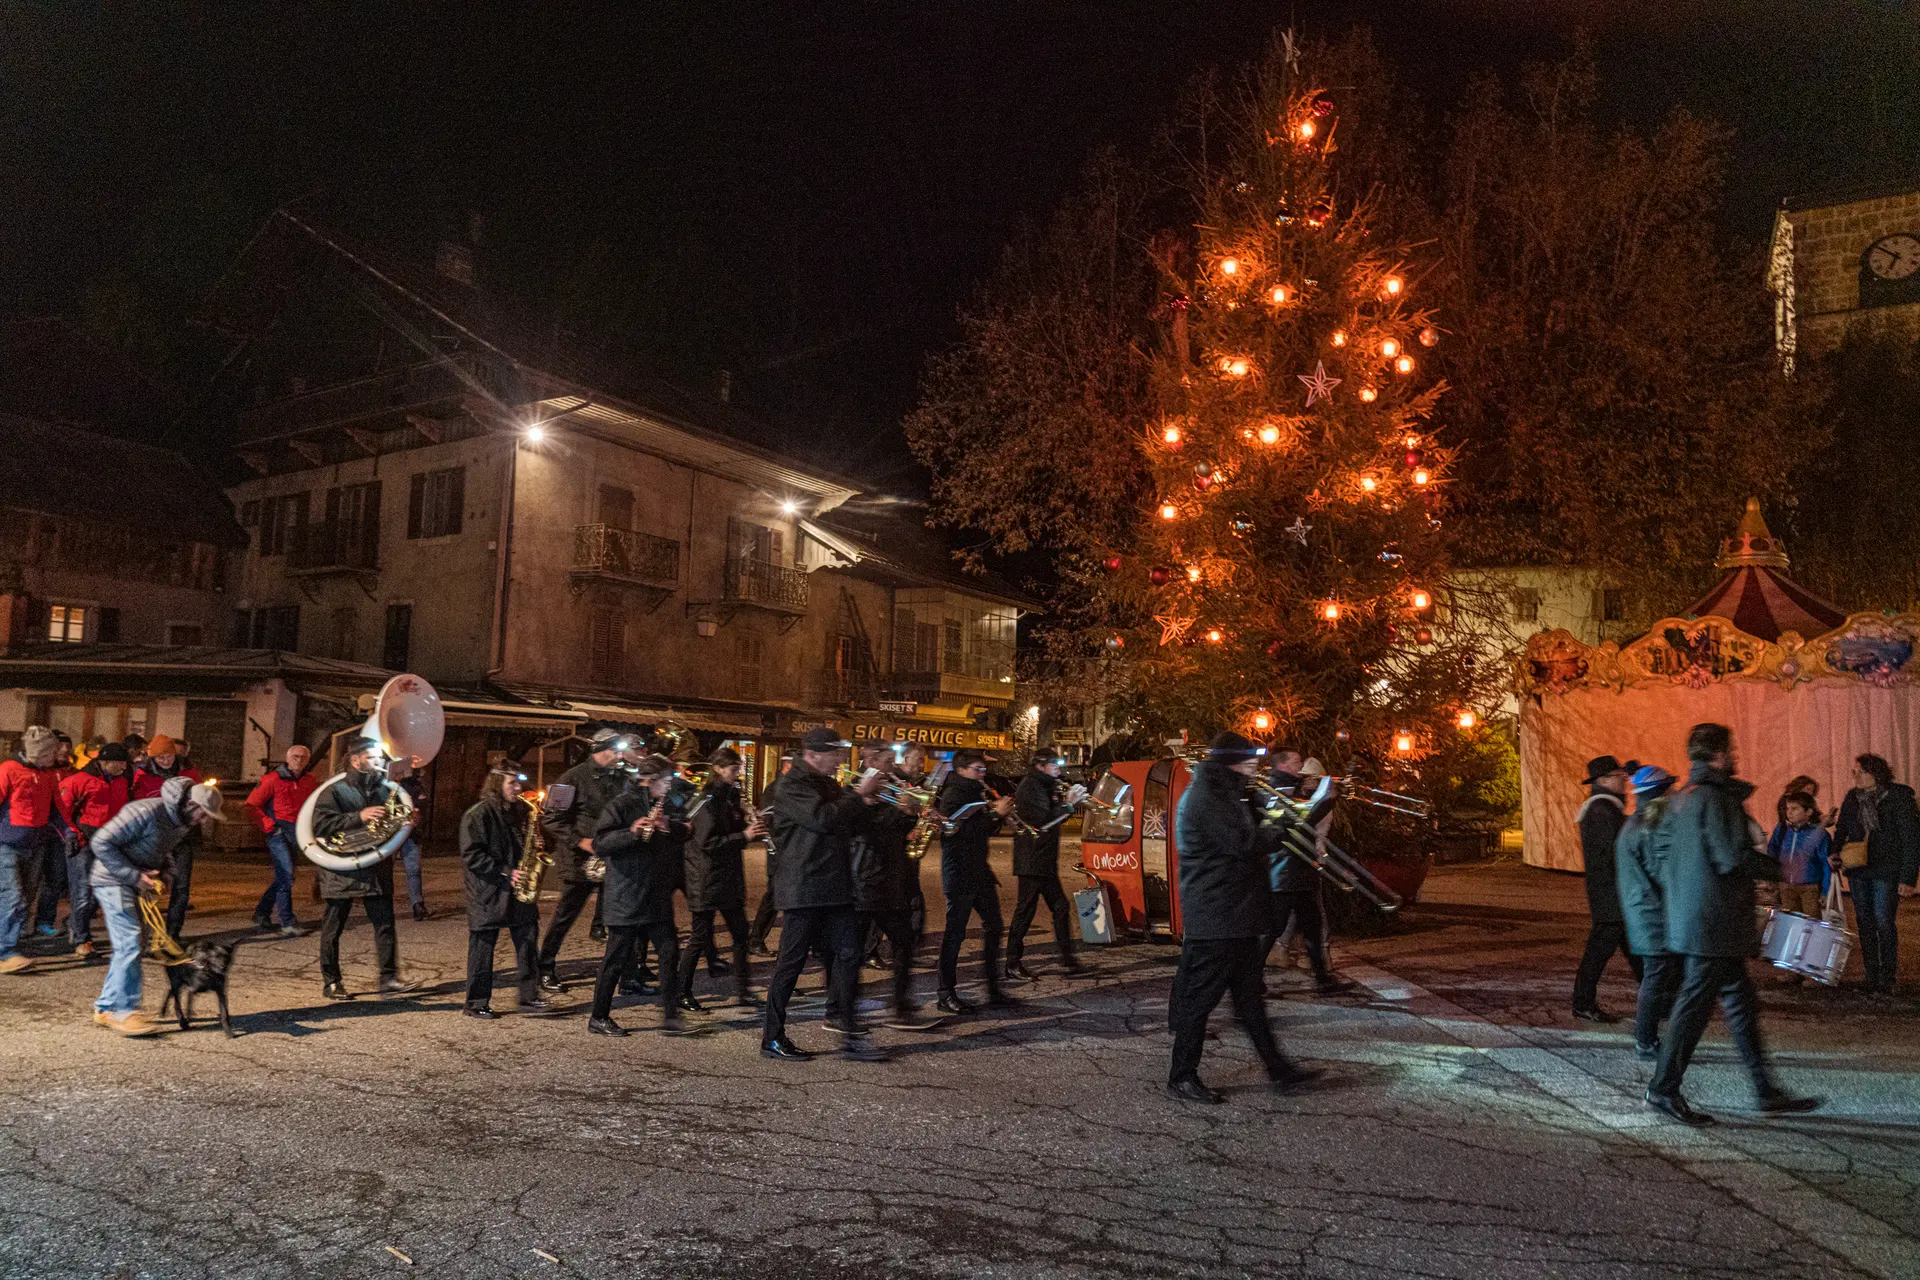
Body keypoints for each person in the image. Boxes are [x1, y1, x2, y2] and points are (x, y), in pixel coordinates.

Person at [1645, 723, 1818, 1125]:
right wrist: (1780, 869)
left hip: (1699, 920)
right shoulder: (1716, 799)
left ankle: (1765, 1089)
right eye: (1732, 749)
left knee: (1740, 1006)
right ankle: (1663, 1088)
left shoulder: (1682, 799)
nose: (1736, 755)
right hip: (1713, 924)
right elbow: (1730, 857)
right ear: (1719, 755)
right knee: (1693, 1008)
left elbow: (1664, 854)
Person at [1166, 732, 1319, 1104]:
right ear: (1232, 761)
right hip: (1216, 915)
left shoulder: (1232, 792)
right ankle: (1181, 1077)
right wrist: (1279, 824)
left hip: (1237, 913)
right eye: (1251, 761)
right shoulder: (1206, 797)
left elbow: (1252, 832)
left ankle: (1280, 1071)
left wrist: (1271, 811)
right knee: (1199, 1002)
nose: (1257, 767)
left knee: (1250, 1001)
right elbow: (1244, 843)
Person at [761, 727, 885, 1061]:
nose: (841, 761)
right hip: (804, 886)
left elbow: (847, 824)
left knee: (848, 954)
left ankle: (846, 1028)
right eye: (836, 755)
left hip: (835, 885)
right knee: (791, 963)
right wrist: (858, 795)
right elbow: (823, 819)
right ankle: (772, 1037)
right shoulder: (791, 786)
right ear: (814, 755)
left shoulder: (828, 784)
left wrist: (873, 806)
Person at [89, 776, 225, 1035]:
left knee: (133, 945)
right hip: (111, 880)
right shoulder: (144, 812)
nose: (205, 821)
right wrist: (134, 876)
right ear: (191, 806)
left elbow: (162, 851)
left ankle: (106, 1007)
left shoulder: (180, 822)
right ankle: (124, 1012)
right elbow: (100, 843)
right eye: (204, 815)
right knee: (129, 942)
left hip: (135, 881)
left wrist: (165, 873)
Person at [586, 754, 689, 1035]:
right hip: (626, 894)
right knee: (615, 959)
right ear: (652, 780)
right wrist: (631, 832)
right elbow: (600, 843)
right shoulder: (620, 805)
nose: (670, 786)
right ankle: (598, 1016)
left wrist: (670, 827)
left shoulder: (664, 805)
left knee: (669, 953)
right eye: (667, 781)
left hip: (656, 892)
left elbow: (685, 831)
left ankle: (670, 1015)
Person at [310, 736, 418, 1000]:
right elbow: (320, 825)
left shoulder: (384, 788)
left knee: (385, 925)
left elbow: (391, 821)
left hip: (375, 867)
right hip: (342, 868)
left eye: (379, 757)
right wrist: (358, 816)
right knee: (333, 928)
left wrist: (407, 820)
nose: (378, 762)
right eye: (371, 757)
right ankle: (332, 982)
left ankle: (389, 979)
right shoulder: (334, 790)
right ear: (356, 759)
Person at [535, 729, 630, 991]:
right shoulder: (572, 778)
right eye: (616, 751)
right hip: (579, 861)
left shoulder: (620, 778)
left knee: (619, 918)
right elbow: (551, 818)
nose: (620, 756)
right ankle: (544, 967)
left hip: (611, 857)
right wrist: (581, 841)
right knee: (565, 916)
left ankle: (621, 972)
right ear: (601, 750)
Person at [676, 747, 766, 1010]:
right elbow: (707, 842)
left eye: (739, 769)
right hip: (706, 877)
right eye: (733, 769)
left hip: (728, 878)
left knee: (740, 935)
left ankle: (744, 990)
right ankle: (682, 992)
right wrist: (744, 836)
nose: (737, 773)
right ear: (718, 768)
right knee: (699, 937)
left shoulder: (729, 796)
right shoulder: (707, 800)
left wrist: (751, 823)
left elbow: (733, 832)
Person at [458, 768, 550, 1019]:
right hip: (489, 890)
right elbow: (471, 855)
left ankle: (529, 996)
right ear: (497, 784)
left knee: (528, 941)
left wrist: (537, 846)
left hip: (518, 890)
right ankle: (475, 1003)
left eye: (518, 784)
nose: (518, 789)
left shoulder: (519, 812)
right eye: (512, 784)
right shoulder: (478, 814)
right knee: (483, 947)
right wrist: (506, 872)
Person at [1258, 749, 1349, 995]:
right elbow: (1299, 820)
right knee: (1275, 928)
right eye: (1297, 761)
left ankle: (1322, 978)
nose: (1301, 765)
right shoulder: (1275, 789)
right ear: (1283, 765)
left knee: (1311, 926)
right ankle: (1251, 979)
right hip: (1284, 871)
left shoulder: (1292, 786)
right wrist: (1327, 799)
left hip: (1299, 870)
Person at [933, 750, 1016, 1013]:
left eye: (983, 769)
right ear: (962, 770)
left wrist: (998, 815)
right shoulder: (954, 796)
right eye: (978, 769)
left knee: (994, 926)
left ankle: (993, 988)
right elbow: (956, 834)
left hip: (979, 872)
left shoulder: (975, 793)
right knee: (955, 934)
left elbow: (982, 832)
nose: (983, 774)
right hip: (959, 872)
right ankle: (945, 993)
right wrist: (995, 815)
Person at [1830, 754, 1920, 995]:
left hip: (1886, 868)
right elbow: (1843, 828)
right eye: (1854, 772)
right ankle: (1871, 975)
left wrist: (1907, 877)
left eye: (1860, 772)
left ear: (1875, 774)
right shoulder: (1853, 798)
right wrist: (1834, 851)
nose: (1856, 777)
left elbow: (1911, 839)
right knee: (1864, 920)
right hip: (1859, 866)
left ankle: (1887, 976)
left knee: (1883, 919)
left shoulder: (1899, 798)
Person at [849, 742, 925, 1022]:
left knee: (904, 942)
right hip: (865, 880)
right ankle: (840, 1009)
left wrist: (914, 818)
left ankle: (901, 1005)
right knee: (850, 952)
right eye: (888, 760)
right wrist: (901, 811)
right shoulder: (857, 788)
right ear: (872, 760)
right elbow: (868, 829)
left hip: (889, 879)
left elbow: (894, 828)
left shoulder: (888, 786)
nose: (893, 766)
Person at [1615, 765, 1681, 1062]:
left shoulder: (1634, 824)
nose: (1675, 795)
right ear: (1660, 794)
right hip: (1653, 914)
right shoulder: (1651, 828)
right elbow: (1664, 874)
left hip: (1641, 912)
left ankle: (1650, 1037)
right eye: (1670, 789)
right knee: (1655, 978)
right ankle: (1646, 1041)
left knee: (1659, 976)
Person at [1005, 749, 1087, 981]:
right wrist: (1069, 805)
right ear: (1040, 765)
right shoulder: (1031, 787)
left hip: (1043, 859)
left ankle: (1068, 959)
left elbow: (1054, 817)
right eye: (1054, 764)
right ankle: (1012, 962)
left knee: (1060, 906)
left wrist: (1068, 804)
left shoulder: (1046, 785)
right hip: (1032, 859)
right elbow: (1044, 822)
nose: (1059, 769)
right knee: (1026, 910)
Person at [1572, 755, 1643, 1023]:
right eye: (1617, 777)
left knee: (1634, 949)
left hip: (1611, 893)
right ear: (1602, 780)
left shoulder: (1604, 807)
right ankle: (1582, 1002)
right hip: (1610, 895)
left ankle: (1658, 998)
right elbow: (1613, 854)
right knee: (1600, 952)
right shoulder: (1603, 810)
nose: (1623, 781)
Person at [56, 741, 133, 959]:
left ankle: (76, 924)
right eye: (119, 763)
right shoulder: (79, 780)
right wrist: (72, 833)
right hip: (83, 843)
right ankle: (82, 939)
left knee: (100, 892)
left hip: (108, 844)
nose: (123, 767)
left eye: (124, 763)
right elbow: (62, 810)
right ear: (104, 762)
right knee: (82, 892)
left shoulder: (121, 782)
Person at [0, 726, 65, 975]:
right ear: (39, 753)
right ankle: (6, 952)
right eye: (51, 752)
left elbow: (56, 809)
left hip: (33, 845)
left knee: (22, 899)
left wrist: (71, 833)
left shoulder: (47, 775)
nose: (56, 756)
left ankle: (9, 946)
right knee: (12, 897)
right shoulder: (8, 770)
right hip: (5, 844)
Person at [243, 743, 320, 936]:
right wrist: (270, 827)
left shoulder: (310, 781)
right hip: (279, 832)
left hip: (297, 832)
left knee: (284, 877)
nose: (299, 760)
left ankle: (262, 913)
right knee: (286, 876)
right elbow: (251, 805)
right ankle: (287, 922)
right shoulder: (271, 780)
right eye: (295, 756)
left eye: (303, 757)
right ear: (287, 758)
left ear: (308, 761)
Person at [131, 735, 203, 939]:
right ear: (152, 757)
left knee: (181, 885)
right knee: (148, 887)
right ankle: (146, 933)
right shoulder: (142, 775)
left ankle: (172, 932)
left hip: (181, 838)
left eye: (169, 756)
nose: (165, 761)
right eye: (160, 757)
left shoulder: (188, 773)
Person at [747, 751, 794, 956]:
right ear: (786, 766)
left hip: (789, 850)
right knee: (773, 898)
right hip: (779, 851)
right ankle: (755, 940)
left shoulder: (791, 788)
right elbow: (769, 820)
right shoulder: (775, 789)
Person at [1768, 791, 1832, 922]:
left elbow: (1826, 863)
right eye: (1787, 809)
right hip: (1786, 885)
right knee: (1789, 921)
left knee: (1811, 922)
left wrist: (1825, 891)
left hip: (1810, 887)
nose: (1789, 812)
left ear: (1808, 812)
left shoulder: (1820, 834)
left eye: (1795, 809)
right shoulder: (1782, 830)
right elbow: (1772, 851)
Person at [389, 759, 430, 921]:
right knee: (385, 870)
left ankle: (418, 904)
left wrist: (418, 812)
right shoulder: (384, 784)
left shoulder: (414, 784)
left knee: (413, 869)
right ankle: (384, 903)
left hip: (409, 832)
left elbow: (422, 804)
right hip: (390, 833)